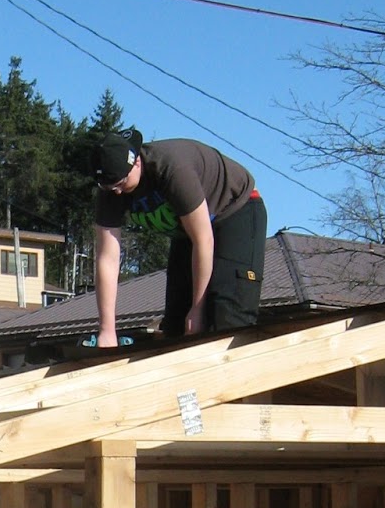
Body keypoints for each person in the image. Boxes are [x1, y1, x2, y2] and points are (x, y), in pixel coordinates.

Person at [92, 128, 267, 346]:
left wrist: (197, 308)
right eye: (110, 186)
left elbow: (203, 240)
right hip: (187, 231)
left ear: (136, 162)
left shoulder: (171, 169)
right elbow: (107, 258)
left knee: (227, 318)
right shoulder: (110, 187)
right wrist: (107, 330)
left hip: (235, 209)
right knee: (176, 325)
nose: (116, 191)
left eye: (120, 183)